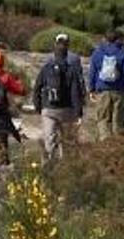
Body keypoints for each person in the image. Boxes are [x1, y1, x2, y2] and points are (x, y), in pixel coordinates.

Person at [32, 33, 85, 162]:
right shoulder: (71, 69)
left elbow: (37, 88)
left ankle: (49, 163)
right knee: (67, 140)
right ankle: (66, 164)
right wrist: (78, 112)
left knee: (49, 138)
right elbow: (75, 93)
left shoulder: (46, 68)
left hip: (48, 109)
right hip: (66, 110)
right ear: (66, 54)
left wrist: (38, 106)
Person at [87, 30, 124, 137]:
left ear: (105, 39)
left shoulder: (98, 52)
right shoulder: (123, 52)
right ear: (117, 39)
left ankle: (105, 142)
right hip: (119, 90)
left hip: (102, 90)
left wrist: (91, 88)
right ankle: (117, 142)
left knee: (103, 119)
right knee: (118, 120)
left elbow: (92, 72)